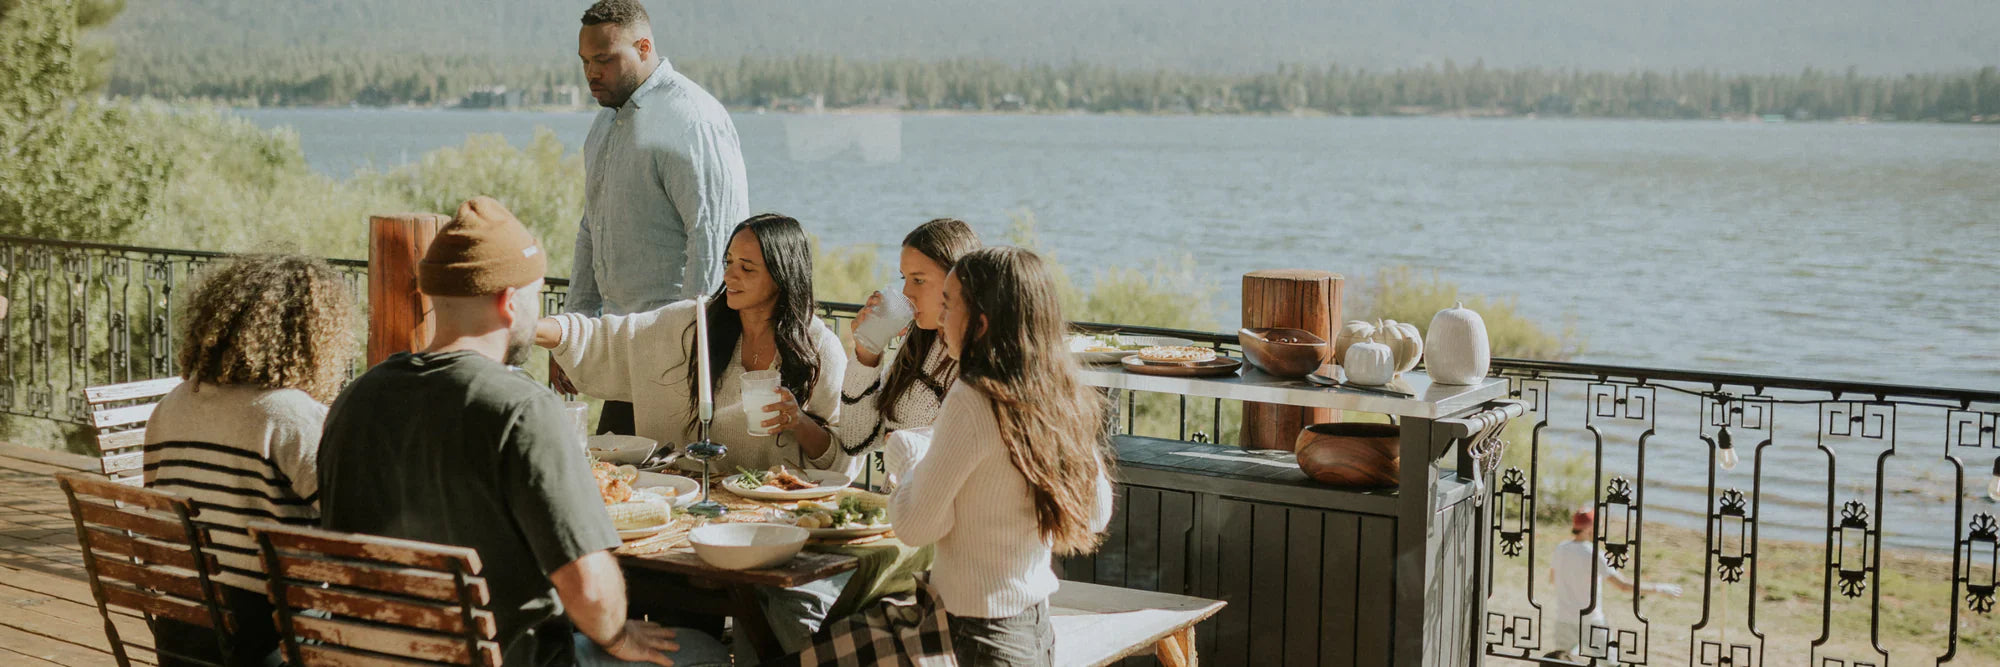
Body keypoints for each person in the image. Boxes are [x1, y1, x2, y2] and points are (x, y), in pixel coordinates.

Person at [316, 197, 730, 667]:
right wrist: (619, 637)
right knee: (705, 653)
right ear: (509, 303)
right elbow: (592, 591)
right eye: (535, 297)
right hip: (504, 657)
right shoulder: (522, 409)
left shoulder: (356, 399)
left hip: (373, 654)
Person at [888, 246, 1116, 666]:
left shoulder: (972, 399)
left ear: (981, 324)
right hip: (1033, 631)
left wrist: (905, 457)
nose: (939, 318)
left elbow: (916, 525)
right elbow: (1095, 513)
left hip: (978, 636)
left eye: (948, 304)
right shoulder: (1058, 394)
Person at [143, 254, 358, 667]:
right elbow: (352, 516)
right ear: (314, 336)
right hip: (269, 638)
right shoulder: (287, 415)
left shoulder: (173, 403)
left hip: (180, 628)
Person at [561, 0, 750, 437]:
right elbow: (591, 231)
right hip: (624, 352)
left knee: (675, 491)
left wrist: (692, 354)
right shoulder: (605, 125)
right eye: (586, 61)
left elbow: (716, 239)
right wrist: (575, 335)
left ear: (644, 47)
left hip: (678, 364)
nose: (591, 73)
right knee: (617, 491)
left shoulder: (691, 118)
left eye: (605, 59)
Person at [539, 213, 848, 476]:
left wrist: (799, 422)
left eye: (747, 268)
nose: (729, 275)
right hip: (686, 497)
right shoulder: (692, 324)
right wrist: (533, 328)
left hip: (779, 511)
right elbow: (608, 338)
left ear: (782, 276)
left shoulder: (820, 349)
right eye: (728, 262)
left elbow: (840, 460)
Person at [834, 218, 982, 487]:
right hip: (893, 514)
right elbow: (856, 440)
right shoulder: (918, 343)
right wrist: (867, 355)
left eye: (919, 280)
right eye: (905, 278)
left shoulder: (979, 361)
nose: (906, 293)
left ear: (958, 283)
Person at [1546, 508, 1681, 661]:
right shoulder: (1594, 553)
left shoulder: (1561, 548)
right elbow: (1623, 585)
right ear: (1590, 527)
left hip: (1563, 617)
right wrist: (1660, 588)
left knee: (1562, 661)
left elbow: (1553, 580)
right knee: (1610, 662)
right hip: (1591, 620)